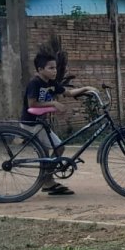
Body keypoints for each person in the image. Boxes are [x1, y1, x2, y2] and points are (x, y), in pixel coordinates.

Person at [21, 52, 94, 196]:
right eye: (50, 68)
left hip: (40, 124)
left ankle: (48, 181)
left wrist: (86, 88)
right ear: (40, 70)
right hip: (31, 123)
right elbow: (32, 103)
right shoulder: (35, 83)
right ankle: (48, 181)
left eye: (55, 68)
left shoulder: (51, 83)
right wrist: (54, 103)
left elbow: (69, 93)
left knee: (56, 148)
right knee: (57, 148)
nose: (54, 71)